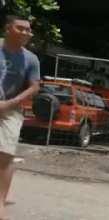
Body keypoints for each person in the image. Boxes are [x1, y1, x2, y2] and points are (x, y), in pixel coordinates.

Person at [0, 15, 40, 218]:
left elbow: (34, 87)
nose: (26, 33)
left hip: (10, 109)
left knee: (5, 156)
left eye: (28, 30)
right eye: (21, 28)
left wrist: (8, 104)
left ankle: (0, 202)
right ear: (8, 28)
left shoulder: (30, 59)